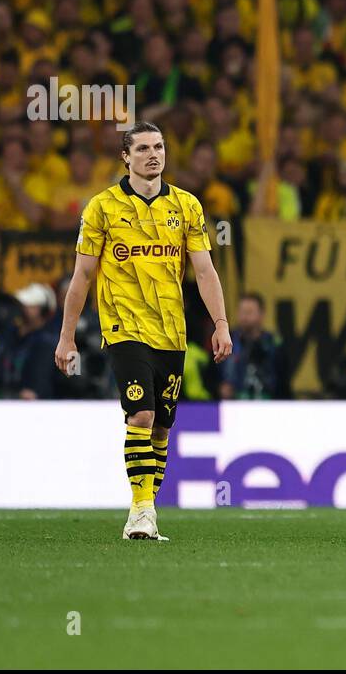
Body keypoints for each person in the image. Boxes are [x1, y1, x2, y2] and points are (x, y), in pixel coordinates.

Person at [54, 120, 232, 542]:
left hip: (172, 329)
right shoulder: (101, 208)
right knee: (142, 414)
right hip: (123, 327)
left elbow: (204, 271)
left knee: (162, 428)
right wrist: (66, 336)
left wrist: (221, 324)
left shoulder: (187, 206)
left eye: (159, 147)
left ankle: (146, 508)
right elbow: (81, 277)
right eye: (143, 149)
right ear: (125, 157)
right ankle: (142, 509)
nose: (153, 155)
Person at [221, 293, 284, 400]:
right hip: (233, 405)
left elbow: (283, 382)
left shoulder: (274, 344)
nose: (245, 316)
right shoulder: (225, 341)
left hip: (268, 405)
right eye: (242, 312)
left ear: (261, 314)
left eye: (249, 312)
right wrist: (220, 388)